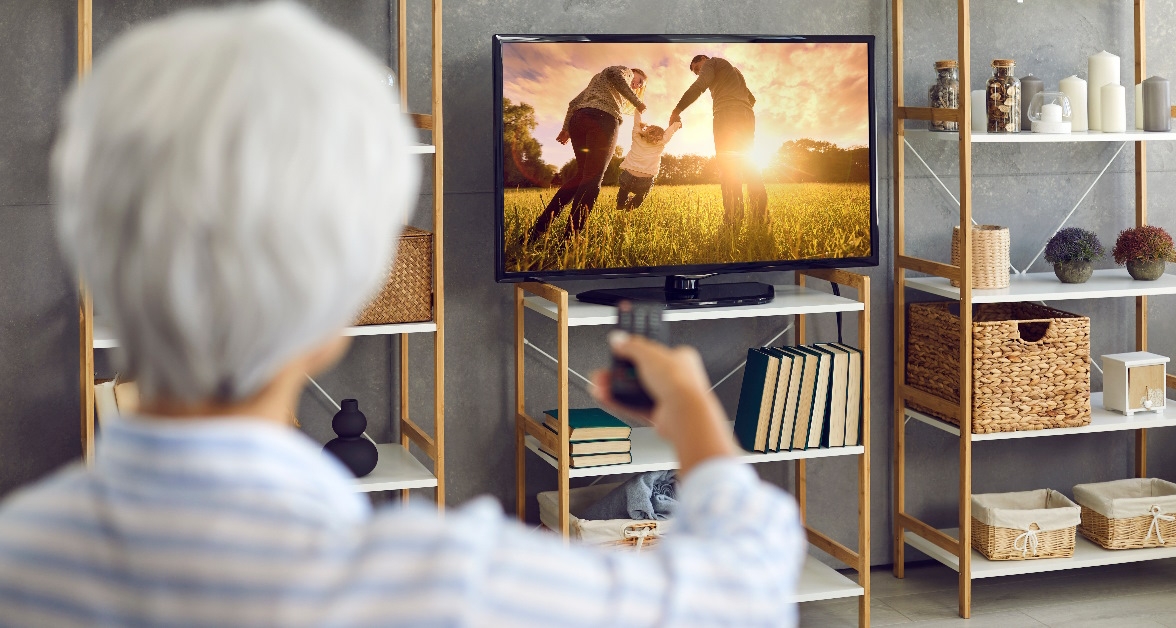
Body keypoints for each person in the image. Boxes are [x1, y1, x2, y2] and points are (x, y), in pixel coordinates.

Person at [0, 3, 804, 626]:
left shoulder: (19, 564)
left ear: (92, 248)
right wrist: (694, 414)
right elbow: (749, 588)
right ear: (347, 291)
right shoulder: (449, 585)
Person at [526, 65, 646, 244]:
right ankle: (571, 237)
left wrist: (566, 128)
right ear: (633, 73)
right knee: (592, 178)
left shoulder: (598, 80)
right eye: (640, 81)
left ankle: (536, 231)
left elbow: (573, 103)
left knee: (581, 177)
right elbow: (616, 75)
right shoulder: (625, 71)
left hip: (579, 121)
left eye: (640, 86)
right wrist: (637, 101)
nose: (637, 85)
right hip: (603, 119)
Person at [671, 54, 768, 225]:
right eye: (695, 71)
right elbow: (751, 99)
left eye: (696, 68)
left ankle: (733, 218)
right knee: (749, 165)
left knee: (728, 166)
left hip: (726, 114)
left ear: (703, 59)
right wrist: (740, 107)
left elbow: (701, 85)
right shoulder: (734, 71)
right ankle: (761, 216)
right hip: (746, 115)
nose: (697, 72)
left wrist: (677, 110)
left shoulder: (711, 62)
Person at [615, 108, 682, 211]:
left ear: (647, 131)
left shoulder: (637, 136)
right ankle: (632, 206)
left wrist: (638, 110)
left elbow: (637, 122)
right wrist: (677, 124)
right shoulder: (661, 142)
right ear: (661, 136)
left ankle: (620, 204)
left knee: (623, 189)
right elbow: (670, 131)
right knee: (642, 194)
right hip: (645, 180)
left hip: (627, 176)